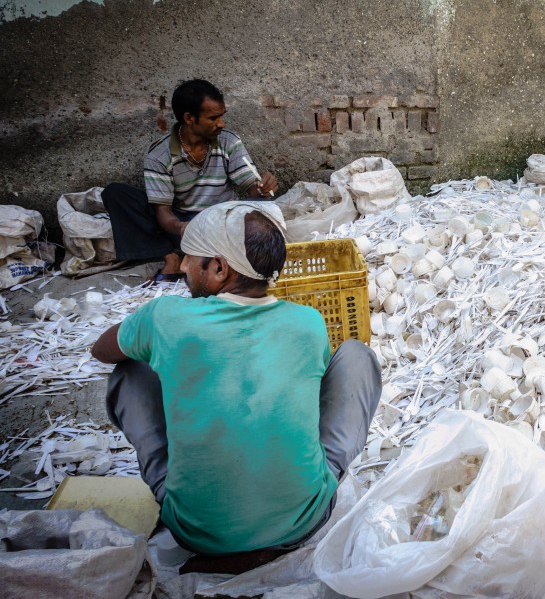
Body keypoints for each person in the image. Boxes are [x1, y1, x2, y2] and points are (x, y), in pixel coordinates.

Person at [91, 201, 381, 558]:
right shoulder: (308, 322)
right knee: (356, 355)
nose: (182, 266)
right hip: (303, 522)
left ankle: (188, 498)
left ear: (218, 268)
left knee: (130, 371)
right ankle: (305, 485)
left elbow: (102, 350)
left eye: (190, 258)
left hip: (195, 532)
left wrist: (159, 349)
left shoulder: (165, 317)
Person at [101, 79, 279, 283]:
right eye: (213, 118)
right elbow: (163, 212)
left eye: (222, 116)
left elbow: (251, 189)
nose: (221, 123)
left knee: (263, 211)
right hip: (183, 225)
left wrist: (262, 188)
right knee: (116, 194)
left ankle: (203, 255)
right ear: (189, 118)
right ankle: (171, 257)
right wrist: (182, 227)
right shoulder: (159, 155)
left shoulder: (229, 141)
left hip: (222, 221)